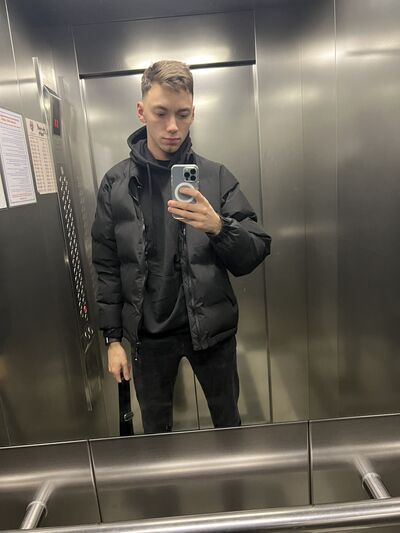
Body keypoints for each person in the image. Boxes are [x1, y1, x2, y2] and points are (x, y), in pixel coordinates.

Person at [91, 60, 271, 434]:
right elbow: (107, 264)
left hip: (211, 332)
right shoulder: (116, 184)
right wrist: (113, 340)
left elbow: (255, 250)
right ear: (141, 111)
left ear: (193, 114)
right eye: (161, 113)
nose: (172, 126)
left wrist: (219, 227)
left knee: (228, 424)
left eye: (183, 114)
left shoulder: (215, 176)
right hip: (149, 336)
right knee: (156, 435)